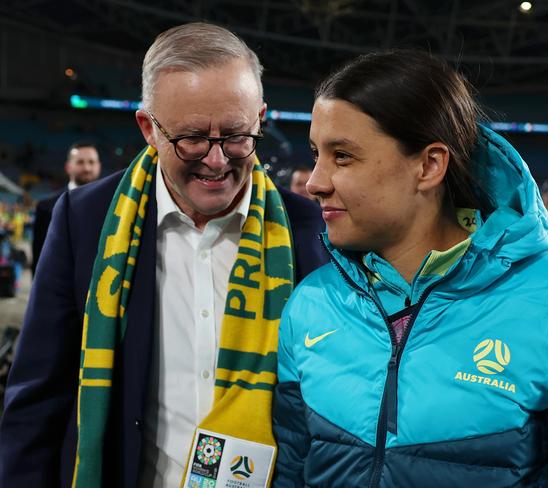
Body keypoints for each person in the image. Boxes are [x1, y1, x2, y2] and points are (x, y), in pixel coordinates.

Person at [272, 50, 548, 487]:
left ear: (429, 165)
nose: (315, 181)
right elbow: (292, 472)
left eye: (342, 156)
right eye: (316, 153)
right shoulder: (310, 302)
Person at [0, 22, 326, 488]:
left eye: (237, 136)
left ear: (260, 119)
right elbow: (37, 399)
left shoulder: (310, 232)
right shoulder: (83, 220)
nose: (217, 161)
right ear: (148, 128)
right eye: (192, 138)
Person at [31, 142, 102, 274]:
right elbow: (39, 257)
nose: (87, 168)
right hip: (60, 285)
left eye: (91, 162)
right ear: (68, 167)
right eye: (80, 162)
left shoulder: (115, 204)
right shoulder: (45, 207)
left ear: (99, 166)